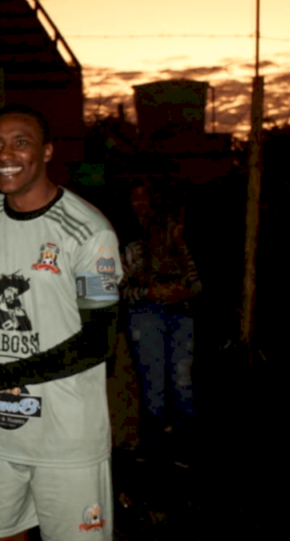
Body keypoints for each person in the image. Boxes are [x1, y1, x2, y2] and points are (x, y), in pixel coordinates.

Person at [0, 104, 120, 541]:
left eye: (21, 143)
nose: (6, 155)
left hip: (65, 438)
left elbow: (98, 341)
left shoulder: (89, 231)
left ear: (47, 152)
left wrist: (0, 375)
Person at [120, 184, 200, 460]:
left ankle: (183, 446)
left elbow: (197, 285)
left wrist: (182, 291)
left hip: (180, 314)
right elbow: (117, 289)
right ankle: (152, 446)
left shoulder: (180, 250)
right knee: (153, 383)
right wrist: (149, 292)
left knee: (182, 380)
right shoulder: (133, 249)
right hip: (146, 315)